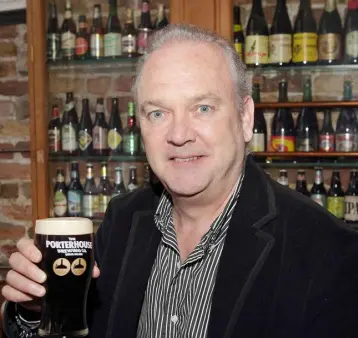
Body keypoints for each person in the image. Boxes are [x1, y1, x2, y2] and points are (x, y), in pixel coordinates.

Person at [2, 24, 358, 338]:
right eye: (158, 113)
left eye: (202, 108)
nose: (179, 134)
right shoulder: (122, 221)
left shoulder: (329, 252)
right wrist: (33, 313)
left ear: (246, 117)